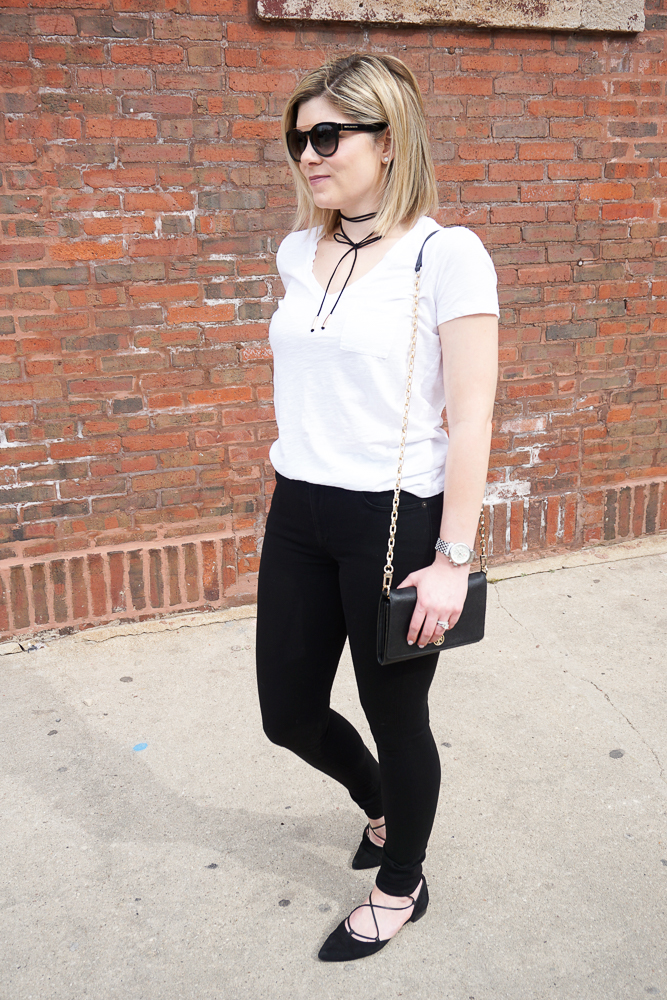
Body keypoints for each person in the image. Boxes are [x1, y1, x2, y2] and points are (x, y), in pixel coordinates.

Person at [255, 53, 499, 962]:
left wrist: (453, 557)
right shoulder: (297, 250)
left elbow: (469, 416)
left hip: (392, 518)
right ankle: (382, 807)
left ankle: (402, 885)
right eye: (298, 139)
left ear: (387, 142)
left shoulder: (446, 254)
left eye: (327, 136)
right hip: (300, 510)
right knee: (286, 710)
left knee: (397, 716)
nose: (308, 154)